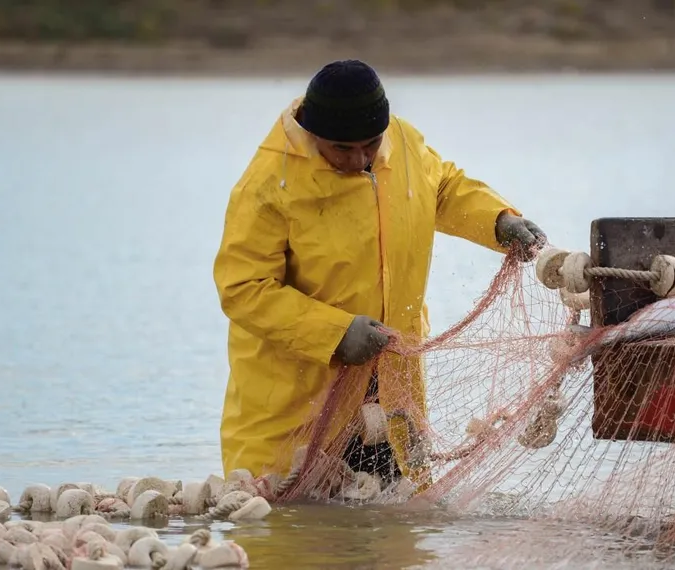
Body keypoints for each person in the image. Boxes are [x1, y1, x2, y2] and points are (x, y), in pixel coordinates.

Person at [212, 59, 547, 489]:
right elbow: (243, 289)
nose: (360, 159)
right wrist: (337, 333)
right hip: (298, 401)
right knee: (288, 522)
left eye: (371, 145)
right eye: (342, 149)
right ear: (313, 133)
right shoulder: (267, 184)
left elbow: (441, 187)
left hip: (390, 390)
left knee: (396, 516)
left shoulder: (403, 142)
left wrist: (498, 220)